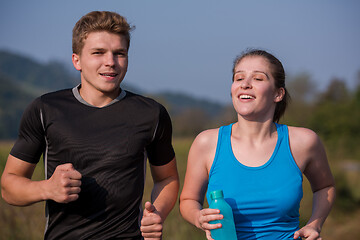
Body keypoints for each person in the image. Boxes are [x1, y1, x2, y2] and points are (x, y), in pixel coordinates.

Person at [1, 11, 179, 240]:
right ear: (77, 60)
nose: (110, 62)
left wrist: (158, 213)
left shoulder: (151, 114)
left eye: (119, 53)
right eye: (98, 53)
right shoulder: (45, 109)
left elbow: (167, 179)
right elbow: (9, 185)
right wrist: (47, 188)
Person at [179, 49, 335, 240]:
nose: (245, 84)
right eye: (239, 78)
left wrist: (315, 224)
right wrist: (198, 217)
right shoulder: (206, 143)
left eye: (258, 79)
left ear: (278, 94)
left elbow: (325, 187)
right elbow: (188, 200)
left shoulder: (303, 142)